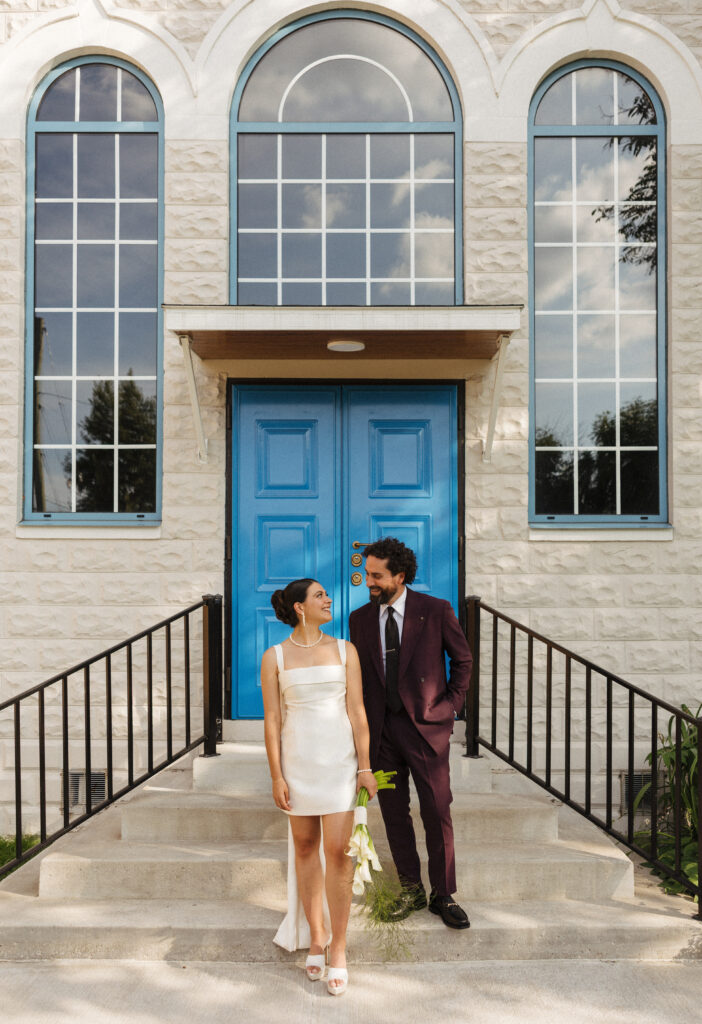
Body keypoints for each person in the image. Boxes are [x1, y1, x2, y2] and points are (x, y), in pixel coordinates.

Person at [261, 578, 378, 996]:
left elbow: (358, 711)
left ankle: (340, 950)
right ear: (299, 607)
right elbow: (272, 721)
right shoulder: (273, 656)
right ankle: (316, 935)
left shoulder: (345, 650)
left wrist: (366, 767)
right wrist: (277, 775)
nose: (328, 600)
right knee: (306, 848)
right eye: (319, 596)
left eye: (327, 595)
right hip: (298, 763)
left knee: (339, 854)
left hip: (339, 763)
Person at [349, 537, 473, 930]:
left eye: (376, 575)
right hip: (382, 733)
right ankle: (410, 890)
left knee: (437, 811)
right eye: (366, 573)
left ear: (399, 577)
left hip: (426, 730)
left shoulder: (434, 611)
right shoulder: (359, 620)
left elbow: (463, 658)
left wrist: (451, 706)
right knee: (394, 815)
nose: (368, 581)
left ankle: (443, 894)